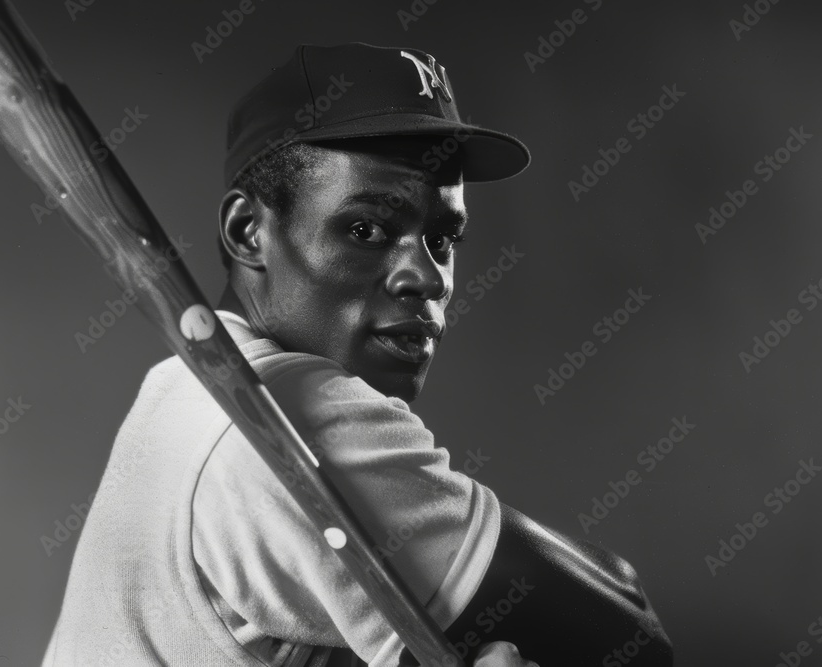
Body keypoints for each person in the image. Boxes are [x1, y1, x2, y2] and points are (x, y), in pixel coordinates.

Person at [41, 43, 672, 666]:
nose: (427, 277)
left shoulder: (178, 390)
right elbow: (630, 634)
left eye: (442, 239)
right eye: (366, 229)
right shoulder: (285, 409)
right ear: (247, 232)